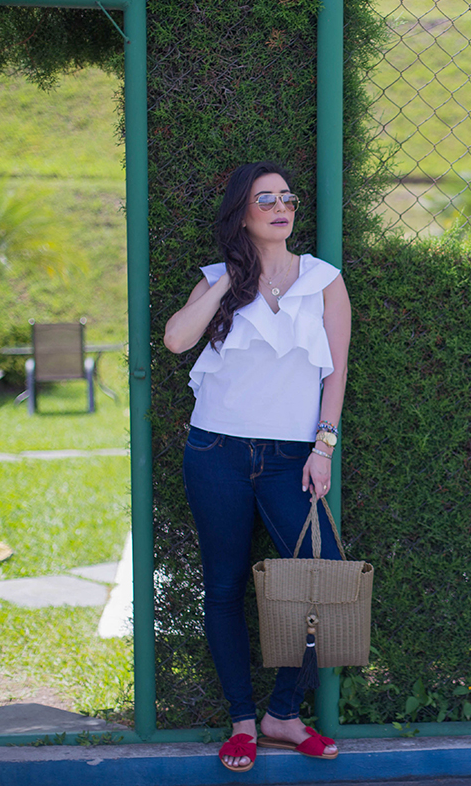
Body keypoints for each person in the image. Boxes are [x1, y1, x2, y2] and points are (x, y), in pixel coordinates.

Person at [164, 161, 351, 772]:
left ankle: (285, 714)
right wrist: (231, 279)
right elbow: (175, 340)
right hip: (215, 451)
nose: (281, 207)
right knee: (222, 586)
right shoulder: (217, 280)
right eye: (264, 199)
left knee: (323, 580)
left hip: (291, 458)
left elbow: (336, 372)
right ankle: (243, 722)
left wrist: (323, 447)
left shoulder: (324, 280)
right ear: (242, 212)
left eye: (287, 198)